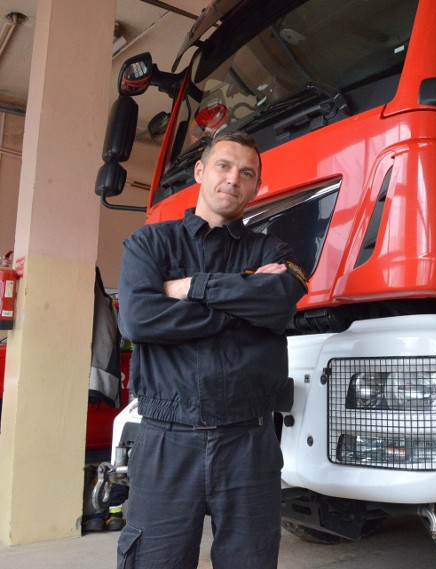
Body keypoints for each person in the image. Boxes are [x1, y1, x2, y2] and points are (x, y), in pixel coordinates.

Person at [116, 131, 307, 568]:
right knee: (153, 560)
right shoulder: (149, 244)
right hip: (167, 440)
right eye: (223, 166)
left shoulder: (272, 250)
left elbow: (282, 298)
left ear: (256, 186)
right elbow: (140, 320)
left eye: (247, 173)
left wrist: (192, 288)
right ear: (200, 171)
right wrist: (241, 308)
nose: (233, 179)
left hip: (249, 441)